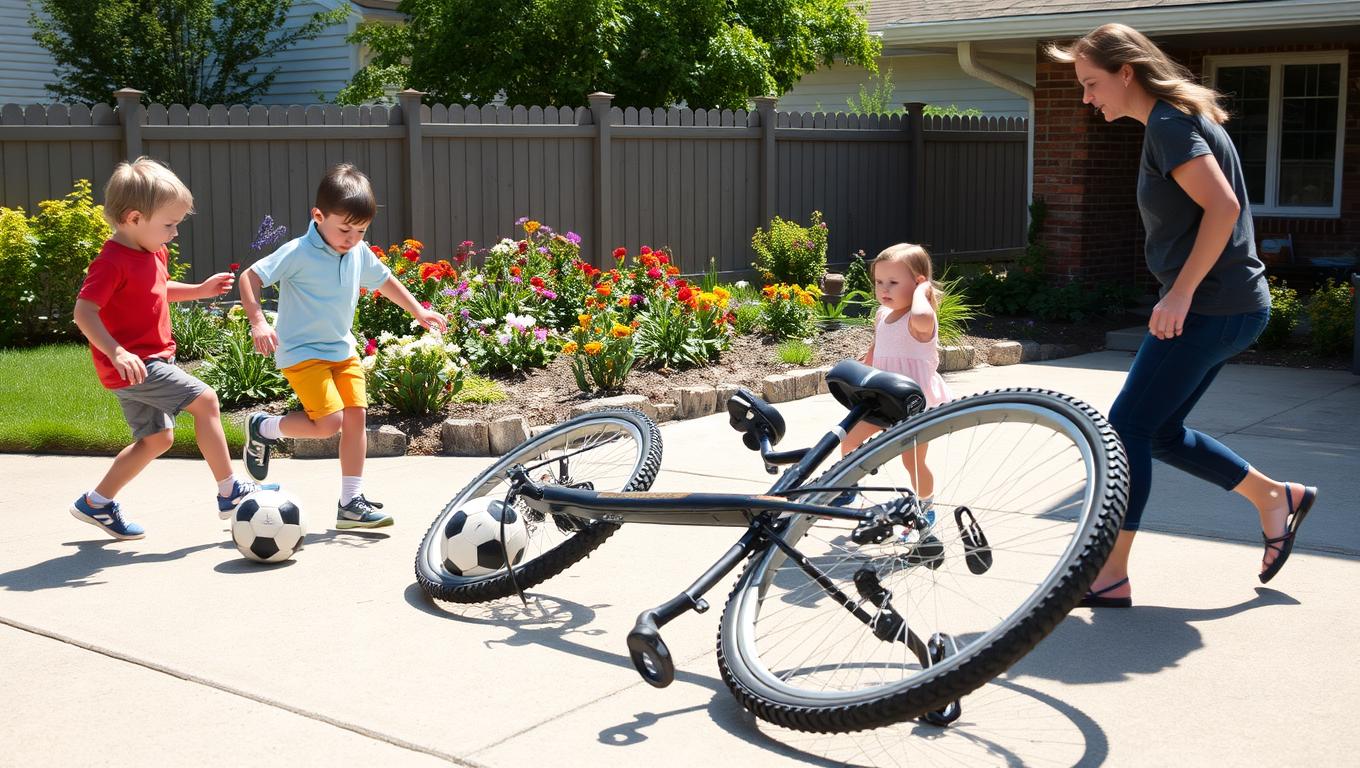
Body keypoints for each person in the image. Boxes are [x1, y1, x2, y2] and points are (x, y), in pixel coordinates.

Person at [1047, 24, 1317, 606]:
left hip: (1212, 307)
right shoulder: (1171, 121)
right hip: (1231, 307)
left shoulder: (1171, 125)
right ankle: (1276, 498)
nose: (1087, 98)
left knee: (1127, 429)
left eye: (1092, 83)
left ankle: (1110, 574)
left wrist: (1180, 293)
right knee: (1158, 431)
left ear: (1127, 72)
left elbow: (1223, 206)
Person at [70, 157, 276, 540]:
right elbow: (84, 312)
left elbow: (157, 289)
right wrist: (117, 351)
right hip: (134, 363)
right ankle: (230, 491)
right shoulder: (111, 262)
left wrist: (198, 290)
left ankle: (96, 502)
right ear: (133, 218)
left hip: (147, 360)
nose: (176, 233)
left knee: (157, 440)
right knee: (207, 400)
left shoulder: (152, 251)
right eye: (169, 224)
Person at [238, 163, 447, 529]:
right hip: (302, 352)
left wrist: (418, 310)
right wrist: (258, 321)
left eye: (361, 230)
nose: (352, 238)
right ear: (318, 215)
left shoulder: (358, 251)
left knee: (355, 418)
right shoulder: (298, 251)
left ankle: (351, 503)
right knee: (328, 423)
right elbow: (250, 277)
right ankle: (265, 428)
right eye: (345, 229)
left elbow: (385, 280)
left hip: (341, 349)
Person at [839, 243, 955, 523]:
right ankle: (849, 487)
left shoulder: (919, 320)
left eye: (893, 282)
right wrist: (866, 362)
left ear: (918, 283)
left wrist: (922, 292)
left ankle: (926, 507)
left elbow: (923, 315)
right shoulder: (882, 314)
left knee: (912, 461)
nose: (884, 289)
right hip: (883, 398)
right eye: (879, 282)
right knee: (848, 440)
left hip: (915, 404)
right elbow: (878, 345)